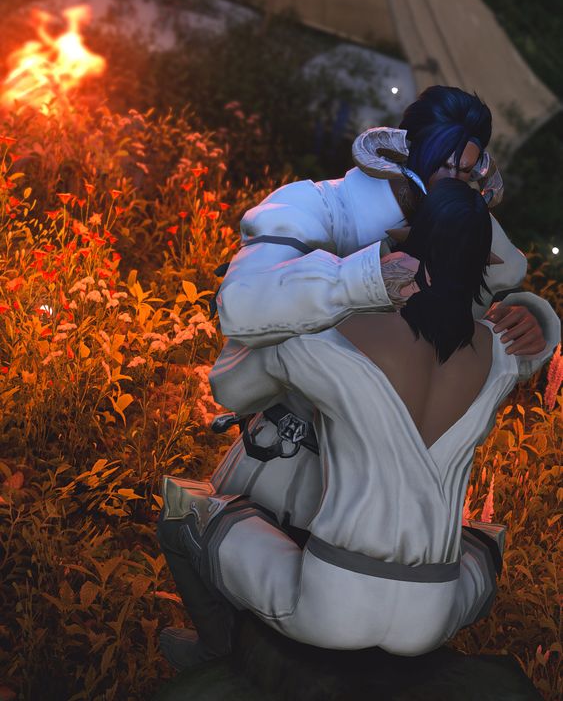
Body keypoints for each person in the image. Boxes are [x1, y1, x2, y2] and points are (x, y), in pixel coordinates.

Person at [157, 179, 560, 668]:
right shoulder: (501, 355)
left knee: (184, 512)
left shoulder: (334, 336)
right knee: (483, 542)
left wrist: (303, 296)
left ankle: (213, 651)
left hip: (329, 604)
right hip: (431, 615)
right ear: (484, 265)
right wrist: (537, 315)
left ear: (411, 249)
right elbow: (535, 346)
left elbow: (232, 387)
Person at [208, 86, 548, 528]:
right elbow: (241, 303)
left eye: (465, 173)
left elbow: (482, 315)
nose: (452, 183)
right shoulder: (318, 206)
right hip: (284, 470)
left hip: (392, 504)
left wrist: (530, 318)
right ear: (406, 154)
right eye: (442, 166)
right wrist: (363, 279)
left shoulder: (473, 235)